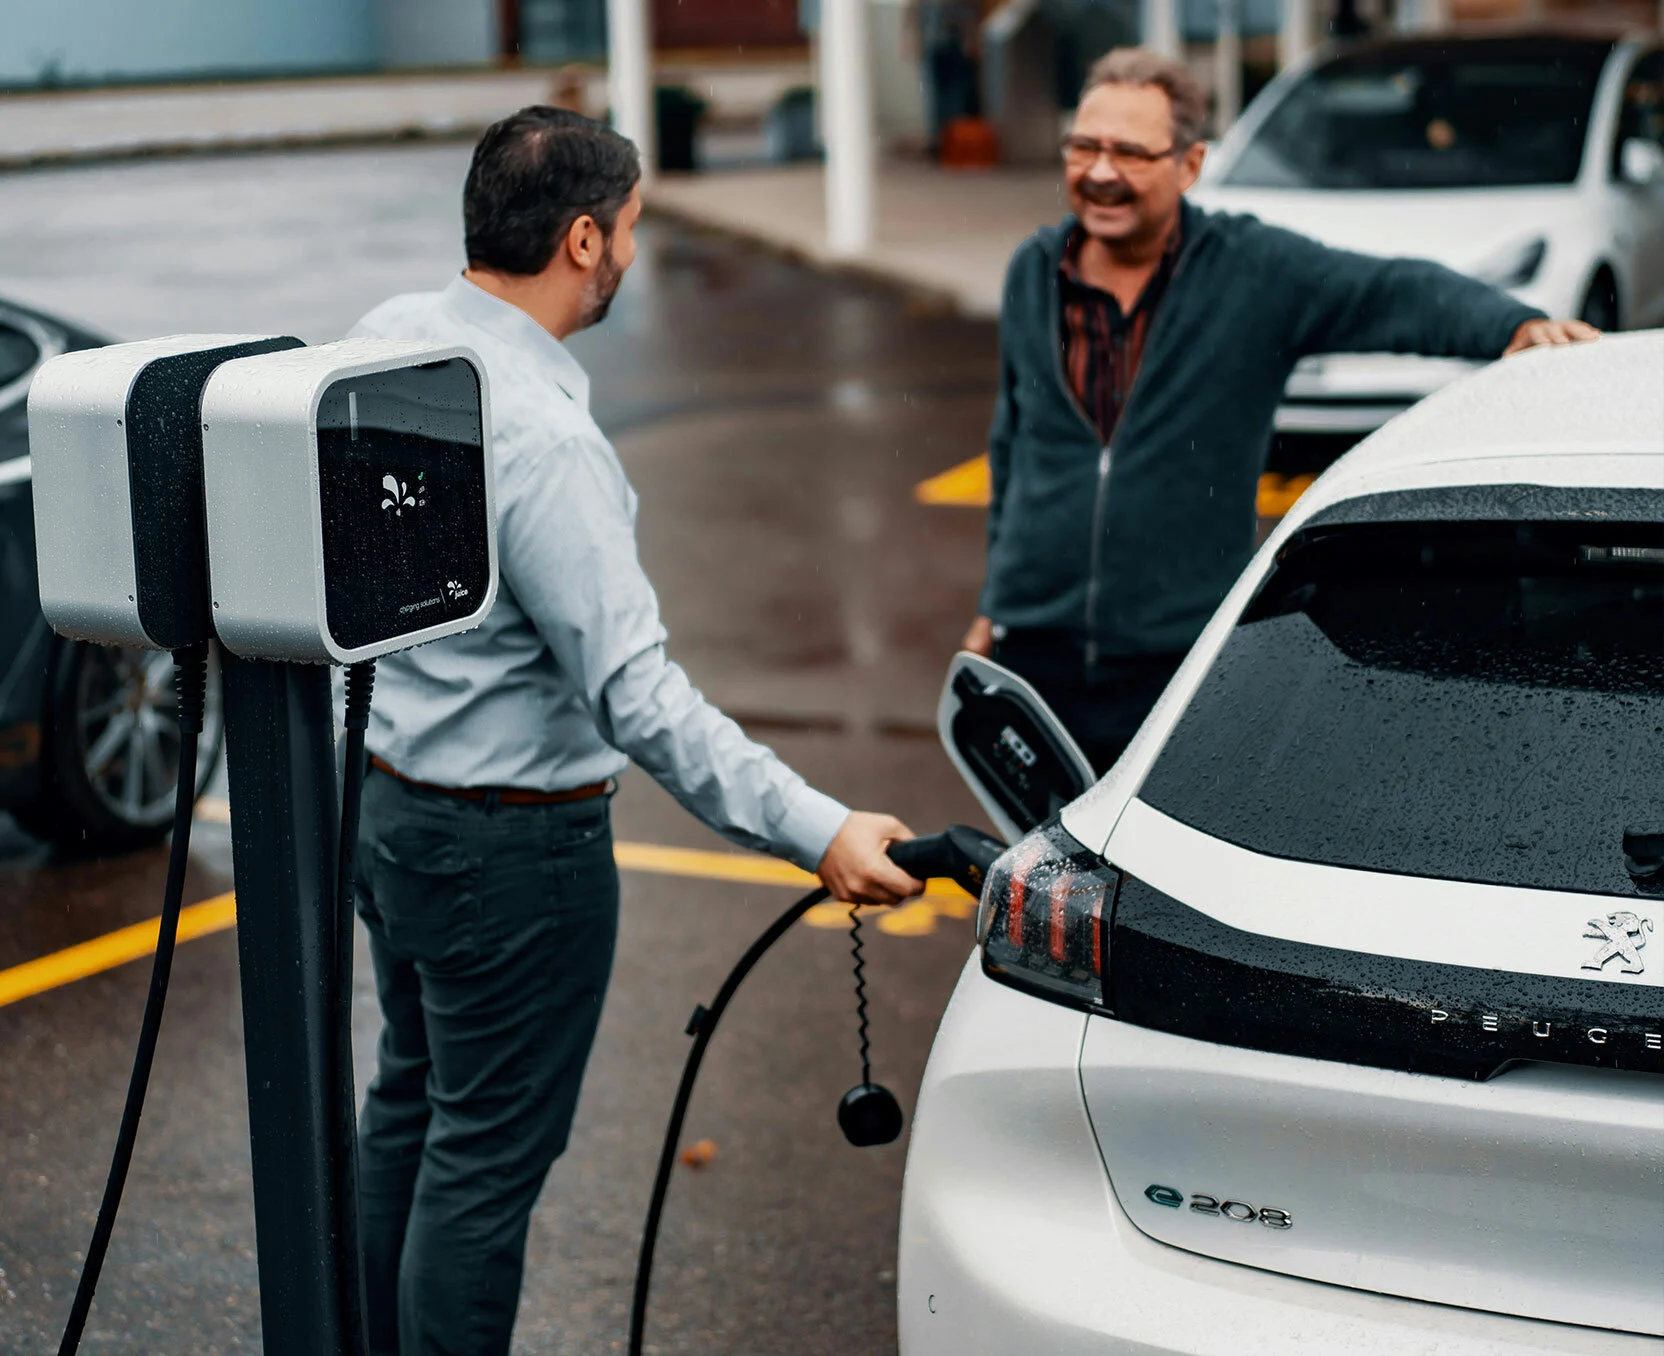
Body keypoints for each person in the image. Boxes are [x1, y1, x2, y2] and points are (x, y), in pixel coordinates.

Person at [346, 107, 924, 1356]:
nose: (629, 258)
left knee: (410, 1105)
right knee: (484, 1162)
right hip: (511, 858)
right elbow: (638, 700)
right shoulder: (547, 443)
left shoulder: (388, 340)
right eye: (630, 234)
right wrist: (815, 828)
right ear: (581, 239)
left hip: (389, 810)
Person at [962, 47, 1599, 774]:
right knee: (1042, 872)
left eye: (1130, 153)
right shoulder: (1032, 270)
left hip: (1181, 654)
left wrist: (1510, 325)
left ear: (1190, 164)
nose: (1101, 173)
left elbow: (1387, 290)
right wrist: (995, 598)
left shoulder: (1254, 272)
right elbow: (1016, 440)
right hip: (1034, 655)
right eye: (1086, 146)